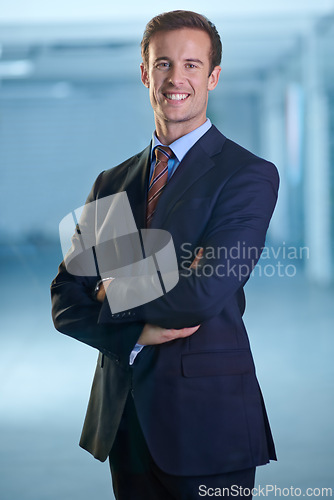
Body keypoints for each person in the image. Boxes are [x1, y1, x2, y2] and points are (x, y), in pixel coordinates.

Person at [51, 10, 279, 500]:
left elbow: (202, 292)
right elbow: (66, 301)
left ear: (213, 77)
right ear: (144, 73)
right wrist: (135, 323)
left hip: (207, 426)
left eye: (193, 65)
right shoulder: (112, 183)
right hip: (124, 422)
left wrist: (109, 288)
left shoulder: (246, 175)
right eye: (163, 64)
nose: (177, 78)